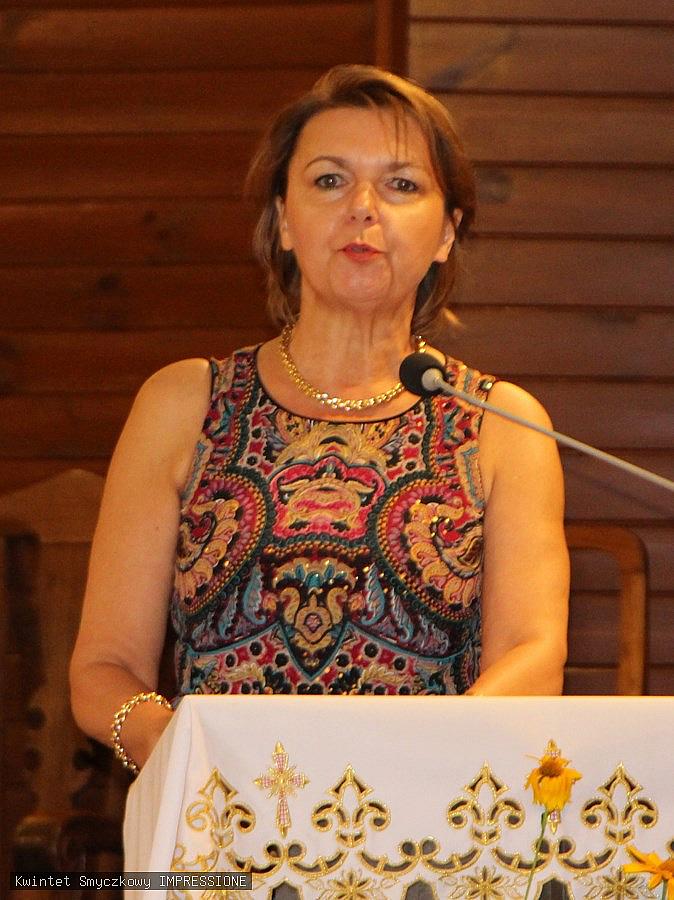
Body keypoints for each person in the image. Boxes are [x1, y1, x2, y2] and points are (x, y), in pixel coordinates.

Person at [70, 65, 569, 775]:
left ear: (446, 233)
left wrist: (417, 765)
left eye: (401, 185)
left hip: (421, 808)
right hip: (225, 805)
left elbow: (533, 655)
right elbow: (104, 667)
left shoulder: (500, 424)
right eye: (330, 180)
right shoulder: (183, 404)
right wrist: (166, 745)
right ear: (283, 220)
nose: (363, 208)